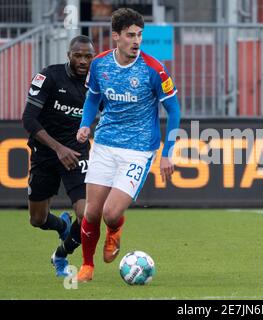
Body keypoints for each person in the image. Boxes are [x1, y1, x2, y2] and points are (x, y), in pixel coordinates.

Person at [75, 8, 181, 282]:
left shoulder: (153, 69)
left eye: (140, 35)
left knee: (111, 213)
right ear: (116, 37)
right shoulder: (99, 65)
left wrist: (167, 153)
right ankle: (87, 266)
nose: (136, 41)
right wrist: (86, 124)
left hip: (138, 150)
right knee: (91, 211)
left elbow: (175, 110)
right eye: (131, 35)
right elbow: (92, 99)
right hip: (105, 145)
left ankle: (115, 230)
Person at [22, 35, 95, 277]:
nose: (83, 60)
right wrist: (57, 148)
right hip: (45, 152)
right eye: (78, 55)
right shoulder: (49, 76)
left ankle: (61, 255)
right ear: (69, 55)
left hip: (77, 153)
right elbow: (29, 119)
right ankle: (62, 225)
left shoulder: (95, 86)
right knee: (37, 219)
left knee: (87, 214)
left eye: (88, 56)